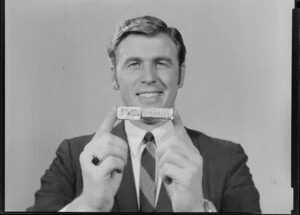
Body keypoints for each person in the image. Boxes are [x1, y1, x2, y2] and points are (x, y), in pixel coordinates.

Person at [27, 15, 261, 212]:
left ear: (180, 75)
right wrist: (88, 204)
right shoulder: (73, 156)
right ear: (114, 77)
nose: (149, 77)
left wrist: (197, 209)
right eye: (134, 64)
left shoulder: (228, 158)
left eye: (161, 63)